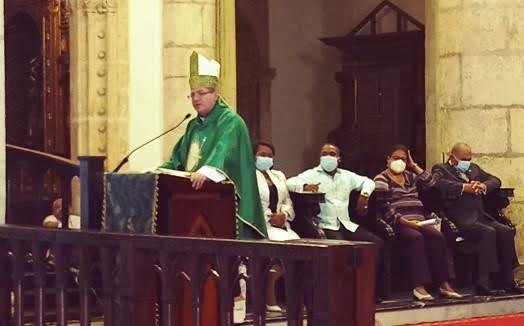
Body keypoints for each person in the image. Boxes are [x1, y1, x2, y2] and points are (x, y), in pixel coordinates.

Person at [160, 52, 267, 240]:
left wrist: (208, 171)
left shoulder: (231, 122)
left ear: (215, 94)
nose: (195, 99)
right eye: (192, 94)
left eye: (201, 93)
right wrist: (158, 172)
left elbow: (224, 151)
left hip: (223, 204)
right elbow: (178, 160)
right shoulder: (193, 126)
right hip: (190, 200)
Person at [287, 143, 384, 296]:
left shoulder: (346, 175)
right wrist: (305, 186)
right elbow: (290, 182)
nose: (328, 157)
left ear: (339, 158)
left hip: (346, 223)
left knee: (376, 243)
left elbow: (368, 181)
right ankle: (341, 294)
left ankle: (366, 290)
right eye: (324, 153)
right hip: (326, 224)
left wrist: (364, 195)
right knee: (341, 249)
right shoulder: (312, 174)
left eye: (332, 154)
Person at [374, 144, 461, 301]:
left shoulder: (410, 176)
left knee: (437, 236)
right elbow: (384, 207)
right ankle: (419, 286)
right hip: (399, 223)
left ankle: (443, 283)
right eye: (396, 158)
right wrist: (406, 222)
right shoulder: (381, 179)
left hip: (421, 221)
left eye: (403, 159)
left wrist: (414, 166)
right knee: (416, 238)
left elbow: (433, 184)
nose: (399, 161)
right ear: (388, 160)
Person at [432, 142, 522, 295]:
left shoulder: (474, 169)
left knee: (506, 231)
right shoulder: (441, 169)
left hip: (481, 216)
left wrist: (483, 185)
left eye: (469, 158)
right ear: (452, 157)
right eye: (463, 159)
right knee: (488, 232)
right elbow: (437, 184)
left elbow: (495, 180)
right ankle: (484, 283)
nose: (466, 162)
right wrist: (463, 187)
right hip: (460, 219)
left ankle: (508, 280)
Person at [254, 141, 299, 312]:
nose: (266, 158)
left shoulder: (278, 175)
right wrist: (270, 217)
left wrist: (285, 215)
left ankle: (295, 297)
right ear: (253, 156)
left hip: (282, 224)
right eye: (262, 155)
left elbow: (287, 200)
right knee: (287, 248)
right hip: (262, 225)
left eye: (269, 155)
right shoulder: (248, 176)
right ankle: (269, 293)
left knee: (302, 248)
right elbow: (251, 204)